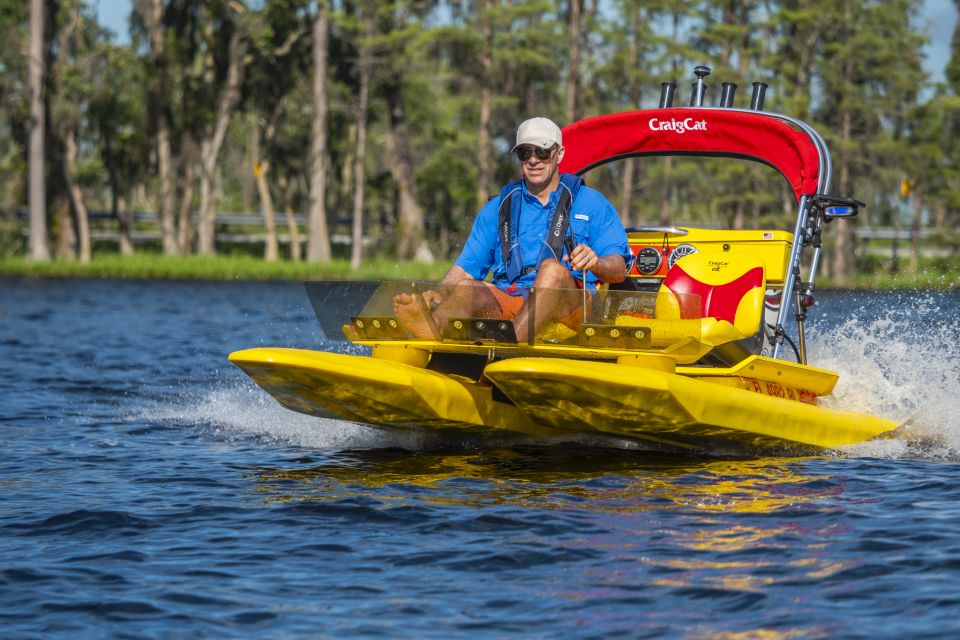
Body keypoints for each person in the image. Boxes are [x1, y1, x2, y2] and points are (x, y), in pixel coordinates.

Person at [394, 116, 633, 341]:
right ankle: (430, 331)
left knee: (553, 270)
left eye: (542, 151)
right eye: (524, 152)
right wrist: (435, 296)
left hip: (573, 305)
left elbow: (619, 269)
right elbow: (466, 270)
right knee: (466, 289)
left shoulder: (592, 202)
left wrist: (596, 262)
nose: (533, 159)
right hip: (514, 296)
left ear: (559, 154)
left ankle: (511, 346)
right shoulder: (497, 208)